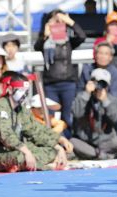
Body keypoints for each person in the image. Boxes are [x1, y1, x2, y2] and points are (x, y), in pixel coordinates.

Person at [0, 72, 73, 172]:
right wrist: (27, 152)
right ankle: (45, 166)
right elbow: (6, 135)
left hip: (13, 149)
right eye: (21, 90)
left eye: (26, 91)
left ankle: (24, 165)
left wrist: (58, 144)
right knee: (21, 157)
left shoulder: (21, 109)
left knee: (52, 151)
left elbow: (35, 130)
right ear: (10, 89)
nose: (24, 94)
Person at [34, 9, 86, 138]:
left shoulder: (68, 41)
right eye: (54, 20)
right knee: (50, 115)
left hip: (68, 82)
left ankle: (68, 140)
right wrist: (45, 35)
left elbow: (82, 36)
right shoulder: (45, 42)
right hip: (50, 83)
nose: (57, 23)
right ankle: (53, 141)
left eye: (59, 21)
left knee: (67, 116)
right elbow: (37, 46)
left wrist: (70, 22)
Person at [71, 69, 117, 160]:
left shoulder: (112, 100)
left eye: (103, 84)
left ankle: (94, 155)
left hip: (105, 142)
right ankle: (102, 156)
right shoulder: (82, 96)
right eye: (98, 83)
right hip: (86, 141)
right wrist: (87, 94)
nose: (100, 87)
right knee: (72, 142)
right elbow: (76, 114)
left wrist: (105, 101)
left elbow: (115, 119)